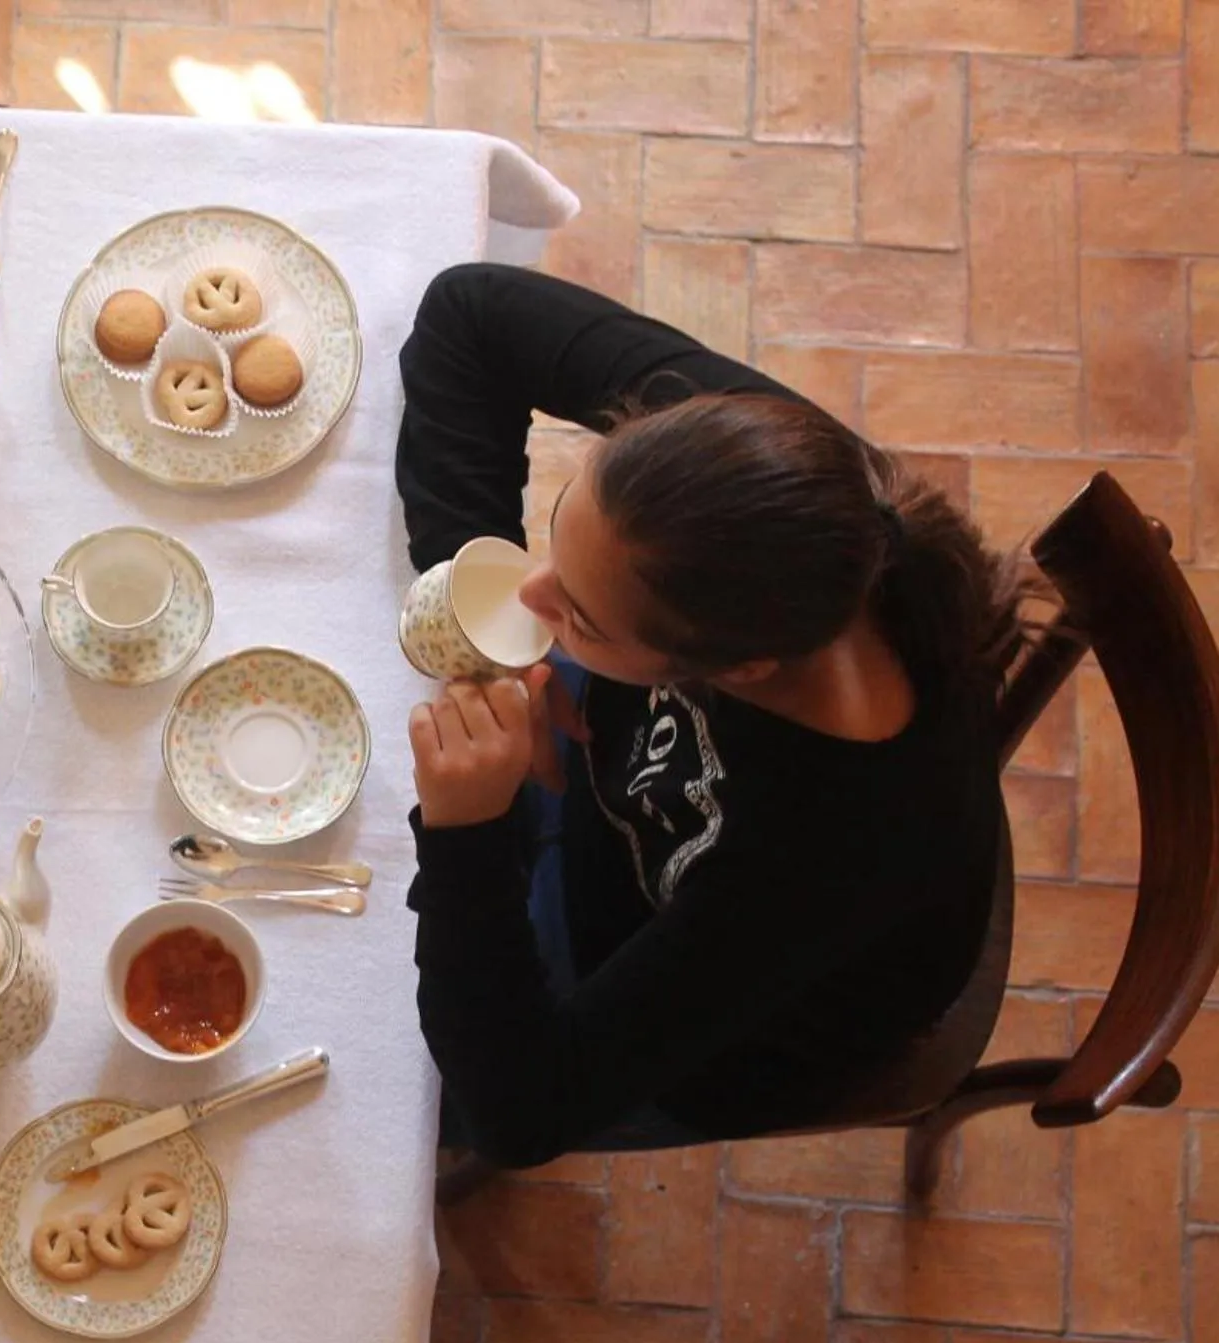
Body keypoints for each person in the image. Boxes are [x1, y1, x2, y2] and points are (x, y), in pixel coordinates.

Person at [397, 264, 1032, 1169]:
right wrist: (491, 639)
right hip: (616, 826)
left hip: (721, 1031)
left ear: (740, 670)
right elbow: (469, 312)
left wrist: (470, 835)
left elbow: (519, 1113)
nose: (533, 601)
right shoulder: (745, 482)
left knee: (403, 1096)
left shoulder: (836, 851)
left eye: (579, 617)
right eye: (563, 529)